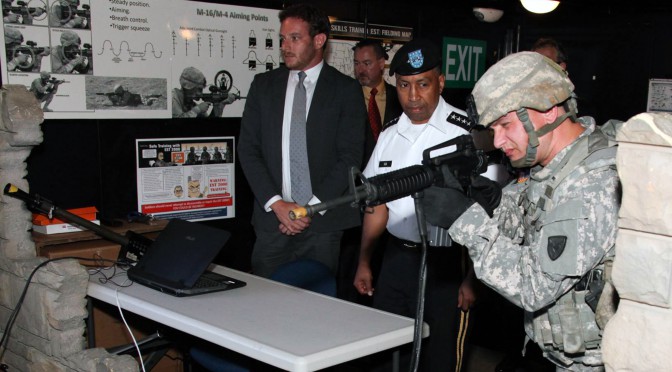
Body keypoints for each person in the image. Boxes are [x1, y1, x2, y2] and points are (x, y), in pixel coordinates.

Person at [422, 51, 620, 371]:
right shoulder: (552, 166)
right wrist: (494, 202)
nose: (498, 140)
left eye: (505, 124)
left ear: (548, 110)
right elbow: (531, 220)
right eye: (492, 129)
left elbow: (533, 286)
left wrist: (466, 220)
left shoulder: (593, 182)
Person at [353, 38, 478, 372]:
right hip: (396, 259)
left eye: (422, 84)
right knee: (386, 352)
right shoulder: (390, 134)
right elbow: (377, 205)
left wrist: (472, 278)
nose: (412, 96)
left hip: (447, 264)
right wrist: (365, 261)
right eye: (404, 85)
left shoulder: (469, 134)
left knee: (439, 358)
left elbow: (492, 212)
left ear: (440, 82)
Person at [238, 3, 366, 278]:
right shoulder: (263, 86)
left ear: (319, 40)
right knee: (263, 310)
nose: (285, 46)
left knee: (317, 311)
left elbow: (350, 157)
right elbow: (248, 150)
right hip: (273, 222)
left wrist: (308, 209)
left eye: (295, 38)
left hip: (323, 224)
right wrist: (278, 204)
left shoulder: (346, 90)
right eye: (283, 38)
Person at [352, 39, 403, 164]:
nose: (361, 70)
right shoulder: (346, 97)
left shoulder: (399, 97)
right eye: (357, 63)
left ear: (381, 63)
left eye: (367, 63)